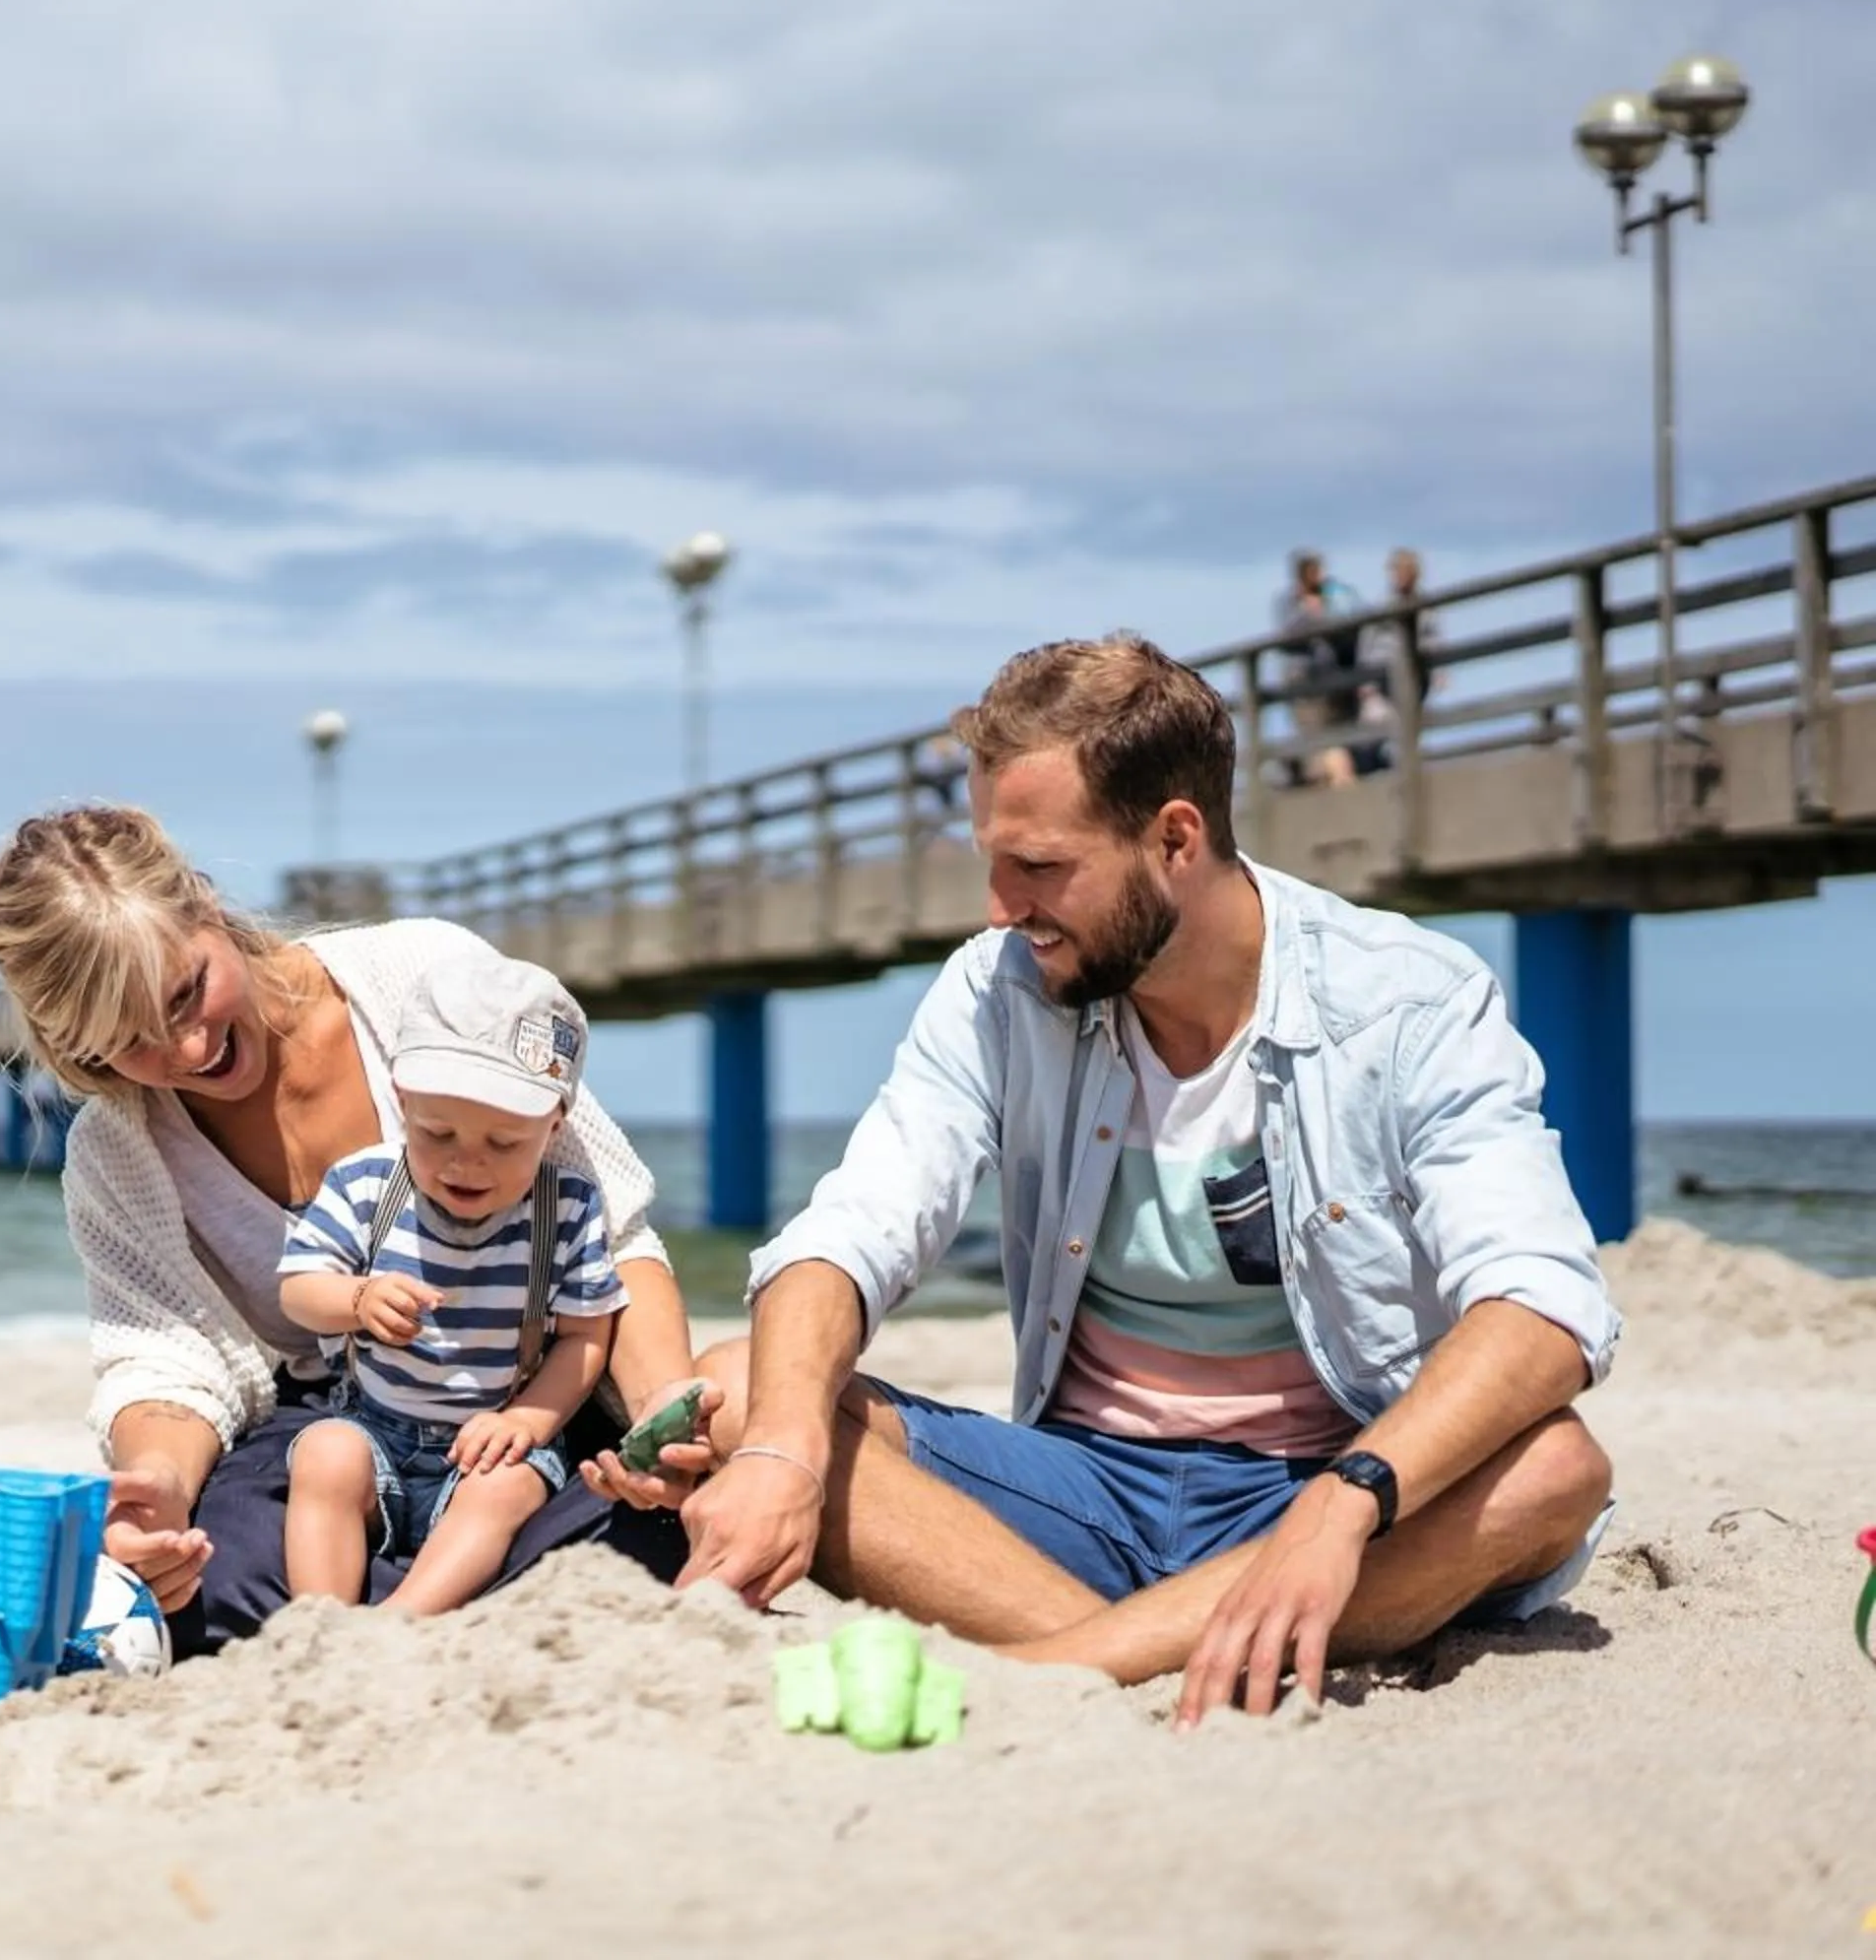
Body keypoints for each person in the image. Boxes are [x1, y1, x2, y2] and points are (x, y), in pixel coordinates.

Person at [663, 635, 1619, 1729]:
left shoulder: (1408, 1003)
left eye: (1038, 866)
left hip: (1323, 1488)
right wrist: (784, 1451)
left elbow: (1544, 1306)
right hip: (1077, 1486)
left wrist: (1341, 1502)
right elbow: (853, 1228)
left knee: (1556, 1470)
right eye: (992, 861)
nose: (998, 906)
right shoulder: (1000, 990)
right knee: (741, 1388)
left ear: (1175, 837)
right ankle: (1131, 1648)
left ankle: (1054, 1660)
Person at [0, 806, 702, 1655]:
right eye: (128, 1044)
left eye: (186, 993)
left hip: (525, 1399)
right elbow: (168, 1363)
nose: (188, 1049)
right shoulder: (116, 1149)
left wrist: (662, 1418)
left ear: (205, 907)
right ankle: (418, 1611)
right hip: (344, 1415)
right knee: (208, 1581)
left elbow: (613, 1236)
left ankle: (408, 1606)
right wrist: (158, 1493)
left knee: (647, 1523)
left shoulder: (424, 976)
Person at [277, 952, 626, 1614]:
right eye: (438, 1134)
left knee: (504, 1490)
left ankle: (405, 1618)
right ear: (403, 1101)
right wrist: (355, 1299)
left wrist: (530, 1417)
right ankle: (320, 1620)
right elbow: (298, 1288)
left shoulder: (566, 1207)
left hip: (488, 1440)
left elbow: (586, 1336)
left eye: (504, 1144)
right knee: (324, 1457)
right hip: (374, 1428)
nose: (468, 1162)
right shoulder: (367, 1184)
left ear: (554, 1126)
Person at [1272, 548, 1367, 788]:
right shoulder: (1289, 602)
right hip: (1304, 684)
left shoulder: (1337, 596)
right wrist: (1311, 613)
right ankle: (1327, 781)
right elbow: (1285, 637)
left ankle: (1337, 780)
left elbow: (1354, 622)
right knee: (1317, 739)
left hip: (1336, 680)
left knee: (1337, 738)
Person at [1344, 547, 1442, 777]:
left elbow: (1434, 640)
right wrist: (1366, 682)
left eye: (1407, 570)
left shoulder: (1426, 607)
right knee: (1374, 731)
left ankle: (1408, 773)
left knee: (1409, 732)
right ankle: (1370, 773)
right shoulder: (1383, 605)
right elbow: (1368, 644)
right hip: (1382, 679)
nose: (1402, 575)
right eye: (1399, 570)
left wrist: (1437, 669)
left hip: (1415, 680)